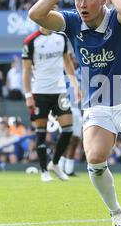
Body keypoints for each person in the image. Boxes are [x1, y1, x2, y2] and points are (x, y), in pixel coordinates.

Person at [28, 0, 121, 226]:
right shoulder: (71, 22)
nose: (82, 4)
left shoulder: (119, 18)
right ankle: (116, 212)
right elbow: (35, 15)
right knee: (95, 157)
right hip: (97, 104)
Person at [22, 25, 80, 182]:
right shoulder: (31, 41)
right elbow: (26, 70)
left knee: (68, 130)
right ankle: (43, 171)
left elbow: (67, 63)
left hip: (60, 91)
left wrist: (75, 86)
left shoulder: (61, 38)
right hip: (39, 92)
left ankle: (54, 163)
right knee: (41, 131)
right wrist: (28, 95)